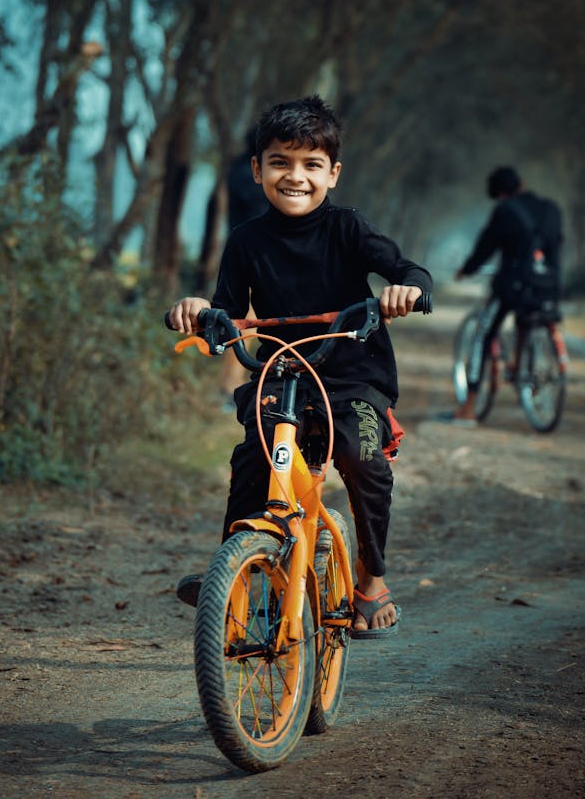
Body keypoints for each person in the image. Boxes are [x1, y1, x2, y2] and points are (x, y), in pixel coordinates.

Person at [167, 95, 433, 636]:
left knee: (363, 459)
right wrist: (198, 312)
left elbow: (407, 267)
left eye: (311, 165)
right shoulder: (245, 241)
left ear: (332, 174)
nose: (296, 176)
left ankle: (372, 576)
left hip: (354, 374)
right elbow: (225, 309)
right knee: (252, 458)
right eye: (281, 162)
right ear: (257, 170)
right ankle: (232, 571)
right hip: (284, 374)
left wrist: (408, 290)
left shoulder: (348, 229)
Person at [449, 165, 563, 424]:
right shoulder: (550, 208)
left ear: (497, 193)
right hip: (548, 286)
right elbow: (556, 247)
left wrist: (466, 270)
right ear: (520, 184)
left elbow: (485, 248)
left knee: (482, 336)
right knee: (528, 319)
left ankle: (469, 406)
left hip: (513, 287)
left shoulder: (505, 211)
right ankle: (521, 366)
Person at [219, 128, 269, 403]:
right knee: (244, 325)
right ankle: (232, 388)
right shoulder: (253, 176)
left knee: (239, 324)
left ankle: (229, 385)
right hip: (255, 256)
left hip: (237, 251)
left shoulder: (237, 170)